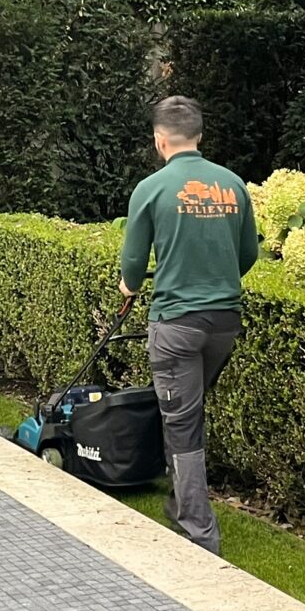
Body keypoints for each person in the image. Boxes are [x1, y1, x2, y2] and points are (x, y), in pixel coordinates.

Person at [119, 96, 258, 555]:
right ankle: (181, 503)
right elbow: (248, 256)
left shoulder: (152, 188)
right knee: (189, 416)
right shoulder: (233, 184)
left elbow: (134, 261)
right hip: (224, 324)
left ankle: (200, 534)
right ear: (200, 135)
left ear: (160, 140)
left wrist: (128, 286)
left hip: (175, 325)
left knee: (181, 425)